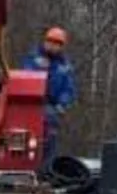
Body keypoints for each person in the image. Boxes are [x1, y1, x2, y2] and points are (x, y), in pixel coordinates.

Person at [19, 26, 76, 171]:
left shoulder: (65, 67)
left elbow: (68, 89)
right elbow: (27, 77)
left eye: (57, 43)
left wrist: (61, 105)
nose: (52, 45)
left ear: (62, 46)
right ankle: (22, 166)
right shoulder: (33, 58)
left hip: (51, 106)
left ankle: (45, 170)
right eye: (50, 41)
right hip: (31, 104)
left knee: (50, 134)